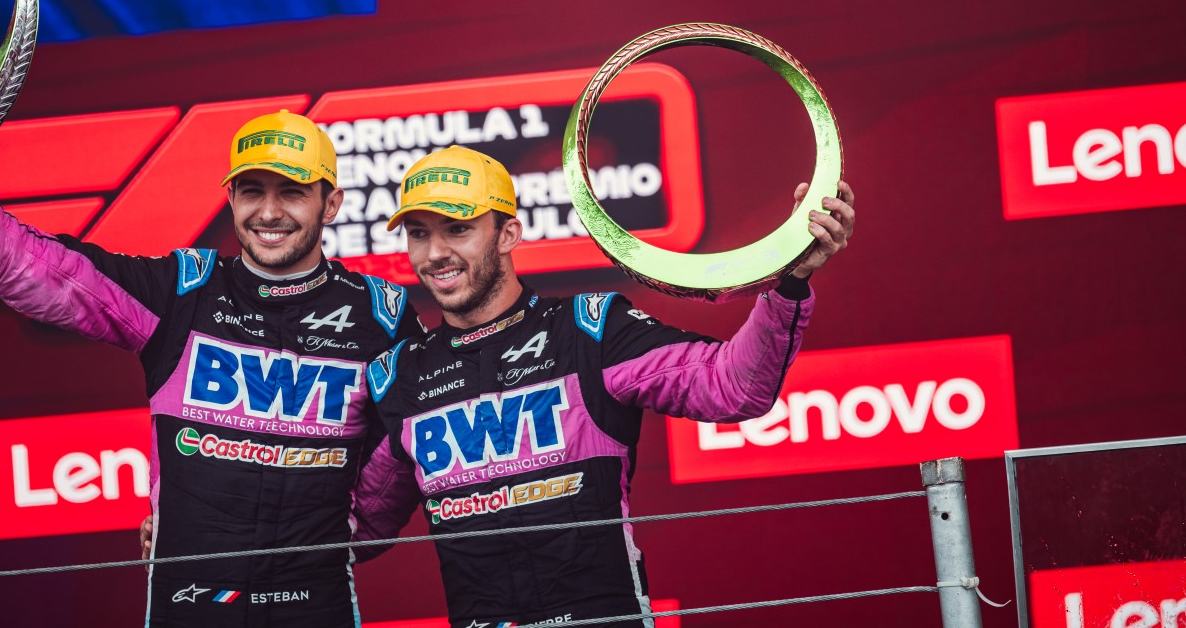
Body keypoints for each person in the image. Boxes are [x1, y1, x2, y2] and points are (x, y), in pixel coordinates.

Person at [0, 60, 424, 628]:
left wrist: (349, 532)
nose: (269, 211)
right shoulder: (181, 292)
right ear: (230, 195)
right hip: (192, 608)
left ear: (331, 203)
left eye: (292, 191)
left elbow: (414, 448)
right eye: (251, 190)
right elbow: (29, 265)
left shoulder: (382, 317)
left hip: (312, 607)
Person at [353, 145, 854, 628]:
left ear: (508, 233)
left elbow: (732, 386)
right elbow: (359, 530)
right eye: (419, 234)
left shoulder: (589, 329)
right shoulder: (400, 376)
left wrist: (791, 280)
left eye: (458, 229)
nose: (436, 253)